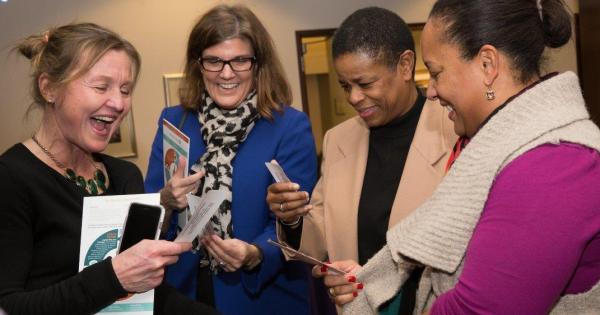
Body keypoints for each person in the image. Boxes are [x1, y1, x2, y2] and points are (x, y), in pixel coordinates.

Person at [342, 0, 600, 314]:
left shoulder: (553, 166)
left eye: (436, 73)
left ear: (487, 65)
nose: (432, 91)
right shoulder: (502, 148)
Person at [0, 23, 218, 315]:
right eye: (101, 86)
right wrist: (114, 277)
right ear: (49, 88)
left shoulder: (124, 175)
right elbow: (11, 306)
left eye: (125, 90)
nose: (118, 103)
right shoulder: (12, 178)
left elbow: (144, 297)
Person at [266, 6, 456, 313]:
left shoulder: (453, 131)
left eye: (365, 84)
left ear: (405, 66)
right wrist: (292, 217)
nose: (353, 97)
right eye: (345, 85)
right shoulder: (339, 140)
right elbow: (319, 239)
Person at [144, 4, 318, 315]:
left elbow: (297, 223)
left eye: (239, 60)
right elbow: (148, 213)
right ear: (198, 65)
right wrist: (166, 200)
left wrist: (255, 253)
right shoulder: (175, 122)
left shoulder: (289, 127)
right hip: (184, 294)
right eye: (214, 61)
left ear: (258, 64)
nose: (226, 73)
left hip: (262, 296)